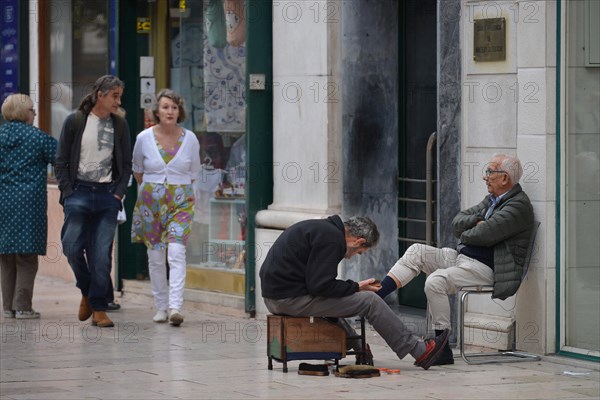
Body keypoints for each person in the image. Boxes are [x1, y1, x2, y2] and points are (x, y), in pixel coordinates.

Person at [375, 154, 535, 365]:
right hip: (463, 259)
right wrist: (474, 224)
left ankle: (441, 347)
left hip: (487, 269)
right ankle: (377, 296)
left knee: (435, 281)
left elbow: (483, 234)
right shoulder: (492, 199)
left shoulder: (518, 207)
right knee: (416, 251)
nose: (484, 177)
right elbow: (457, 222)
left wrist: (470, 231)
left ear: (504, 178)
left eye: (489, 172)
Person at [260, 215, 450, 370]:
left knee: (341, 297)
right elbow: (320, 287)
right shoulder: (331, 239)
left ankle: (358, 347)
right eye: (359, 252)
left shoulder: (323, 229)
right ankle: (420, 351)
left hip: (277, 296)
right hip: (287, 298)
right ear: (358, 240)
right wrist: (357, 287)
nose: (352, 257)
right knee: (370, 301)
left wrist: (352, 288)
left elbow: (319, 286)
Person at [55, 75, 132, 328]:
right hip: (78, 192)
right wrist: (67, 191)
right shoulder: (75, 121)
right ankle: (86, 290)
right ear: (101, 95)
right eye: (115, 96)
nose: (118, 101)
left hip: (107, 195)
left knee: (101, 256)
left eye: (119, 96)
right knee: (71, 247)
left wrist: (118, 193)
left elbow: (127, 164)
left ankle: (99, 308)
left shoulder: (120, 125)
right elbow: (61, 160)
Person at [131, 89, 201, 326]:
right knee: (155, 255)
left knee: (176, 252)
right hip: (151, 201)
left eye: (174, 107)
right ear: (157, 112)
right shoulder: (143, 138)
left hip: (181, 200)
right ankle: (160, 306)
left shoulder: (190, 139)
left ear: (179, 111)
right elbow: (138, 171)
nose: (170, 111)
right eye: (165, 107)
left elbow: (194, 173)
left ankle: (175, 307)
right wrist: (155, 190)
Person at [0, 94, 57, 319]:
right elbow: (60, 158)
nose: (34, 113)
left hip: (3, 201)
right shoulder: (38, 138)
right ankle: (23, 307)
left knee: (5, 256)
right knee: (26, 256)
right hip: (28, 203)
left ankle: (8, 307)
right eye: (32, 110)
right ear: (24, 113)